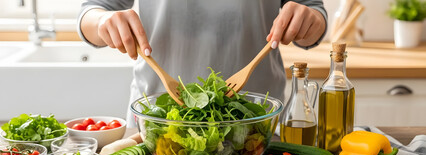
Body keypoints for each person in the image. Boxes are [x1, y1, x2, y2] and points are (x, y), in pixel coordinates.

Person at [78, 0, 327, 127]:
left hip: (257, 122)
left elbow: (314, 13)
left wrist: (308, 20)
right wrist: (104, 21)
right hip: (158, 121)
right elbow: (92, 11)